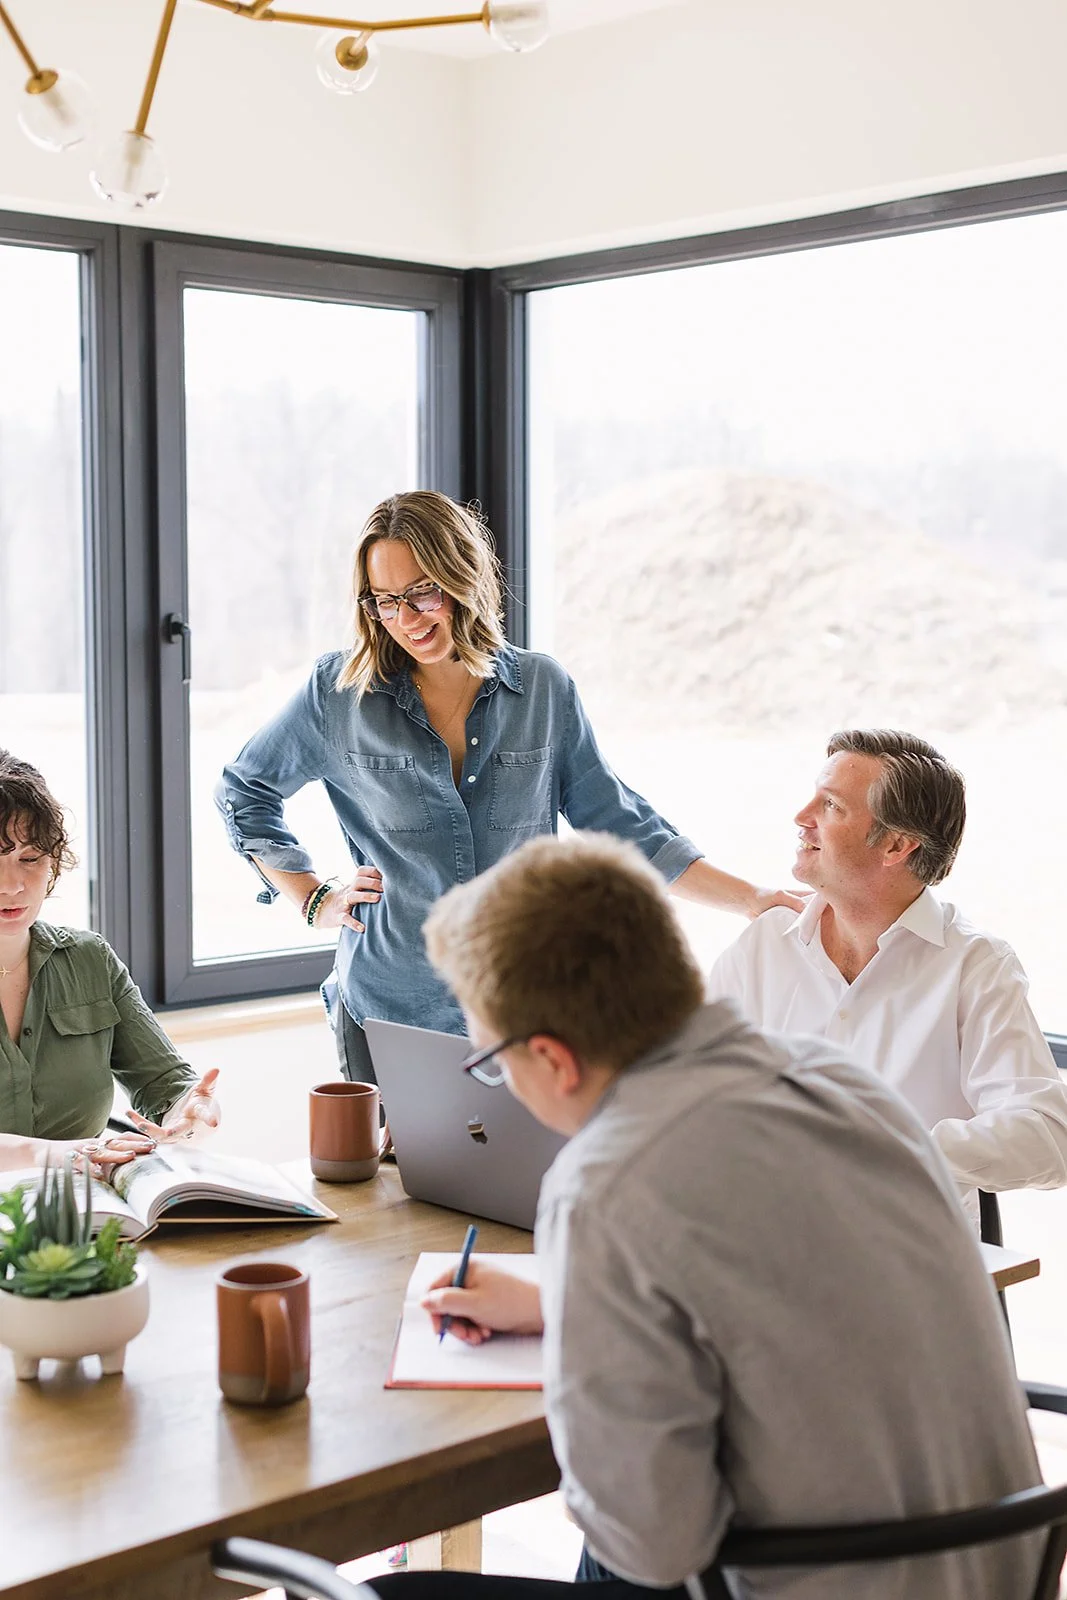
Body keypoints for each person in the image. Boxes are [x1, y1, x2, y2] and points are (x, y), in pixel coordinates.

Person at [370, 832, 1040, 1600]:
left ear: (552, 1058)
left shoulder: (608, 1184)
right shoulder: (844, 1087)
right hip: (1001, 1569)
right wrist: (568, 1302)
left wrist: (590, 1354)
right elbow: (779, 1285)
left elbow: (652, 1545)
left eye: (490, 1059)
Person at [216, 490, 801, 1087]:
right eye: (386, 601)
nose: (408, 619)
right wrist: (313, 898)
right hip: (390, 1009)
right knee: (392, 1182)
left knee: (526, 1180)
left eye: (423, 592)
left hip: (524, 1011)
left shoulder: (543, 690)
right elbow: (244, 791)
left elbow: (623, 824)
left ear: (462, 576)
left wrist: (751, 899)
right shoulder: (339, 695)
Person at [707, 728, 1067, 1224]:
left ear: (896, 845)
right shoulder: (766, 944)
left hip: (910, 1269)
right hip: (760, 1249)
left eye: (831, 806)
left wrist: (885, 1146)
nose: (801, 817)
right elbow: (689, 1083)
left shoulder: (976, 966)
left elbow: (1047, 1137)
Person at [0, 751, 219, 1174]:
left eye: (30, 859)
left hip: (85, 1218)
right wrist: (54, 1156)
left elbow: (169, 1089)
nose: (12, 885)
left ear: (53, 861)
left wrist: (190, 1117)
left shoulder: (88, 960)